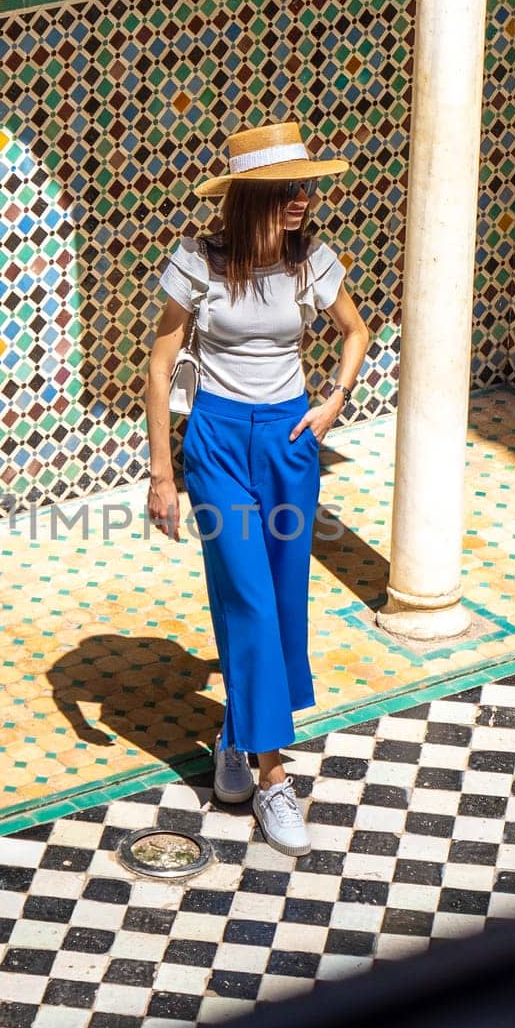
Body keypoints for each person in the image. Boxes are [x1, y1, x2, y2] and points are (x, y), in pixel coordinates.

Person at [146, 119, 371, 855]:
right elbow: (159, 367)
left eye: (307, 185)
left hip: (287, 440)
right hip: (214, 441)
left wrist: (333, 399)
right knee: (244, 595)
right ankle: (274, 779)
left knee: (281, 602)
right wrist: (161, 473)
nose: (304, 197)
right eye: (288, 188)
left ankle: (237, 737)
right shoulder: (198, 263)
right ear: (249, 196)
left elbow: (355, 331)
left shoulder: (312, 261)